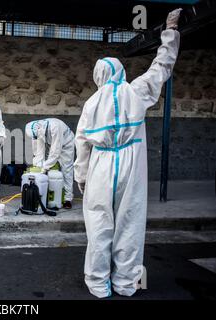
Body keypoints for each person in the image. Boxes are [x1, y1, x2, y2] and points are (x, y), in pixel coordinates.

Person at [73, 9, 182, 298]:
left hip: (101, 165)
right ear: (120, 71)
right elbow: (162, 66)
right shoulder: (136, 91)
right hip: (132, 164)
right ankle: (124, 283)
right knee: (130, 223)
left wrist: (81, 177)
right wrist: (170, 31)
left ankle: (98, 284)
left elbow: (81, 143)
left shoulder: (91, 104)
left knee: (98, 224)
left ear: (98, 76)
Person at [25, 118, 75, 208]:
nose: (35, 138)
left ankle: (67, 198)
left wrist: (45, 167)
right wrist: (38, 166)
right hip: (50, 142)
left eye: (35, 136)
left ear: (39, 129)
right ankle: (47, 194)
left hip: (65, 143)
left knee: (66, 169)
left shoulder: (55, 127)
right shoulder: (35, 130)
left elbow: (55, 152)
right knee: (47, 169)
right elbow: (38, 151)